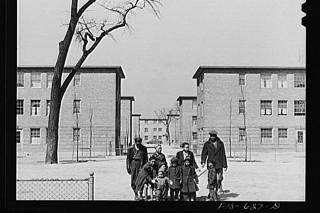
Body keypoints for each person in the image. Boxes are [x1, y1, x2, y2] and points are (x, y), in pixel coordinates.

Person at [201, 130, 228, 201]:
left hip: (219, 164)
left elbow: (223, 154)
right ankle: (213, 195)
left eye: (213, 136)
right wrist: (203, 161)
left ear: (216, 136)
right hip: (211, 164)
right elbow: (204, 153)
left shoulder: (220, 143)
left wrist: (225, 165)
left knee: (219, 179)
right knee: (212, 180)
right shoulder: (207, 144)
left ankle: (212, 194)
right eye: (211, 136)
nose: (212, 137)